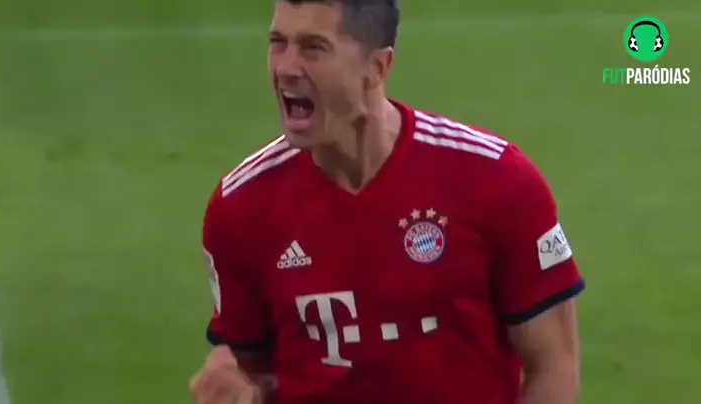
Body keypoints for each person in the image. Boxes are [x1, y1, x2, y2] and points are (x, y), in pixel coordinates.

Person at [189, 0, 584, 403]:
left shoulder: (495, 180)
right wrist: (234, 378)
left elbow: (555, 364)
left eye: (313, 47)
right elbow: (251, 369)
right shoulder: (241, 207)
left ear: (378, 67)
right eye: (278, 43)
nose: (285, 67)